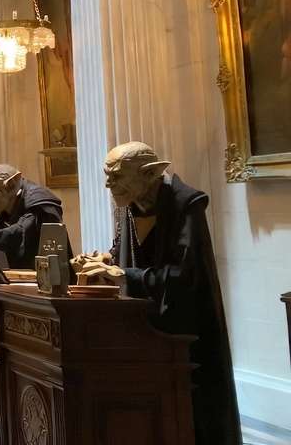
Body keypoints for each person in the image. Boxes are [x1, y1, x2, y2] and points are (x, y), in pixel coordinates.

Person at [87, 142, 241, 444]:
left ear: (150, 174)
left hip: (184, 334)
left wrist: (123, 276)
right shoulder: (130, 205)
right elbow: (127, 252)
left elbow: (184, 277)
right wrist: (106, 260)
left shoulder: (186, 205)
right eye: (107, 175)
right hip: (143, 330)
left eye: (116, 176)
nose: (108, 183)